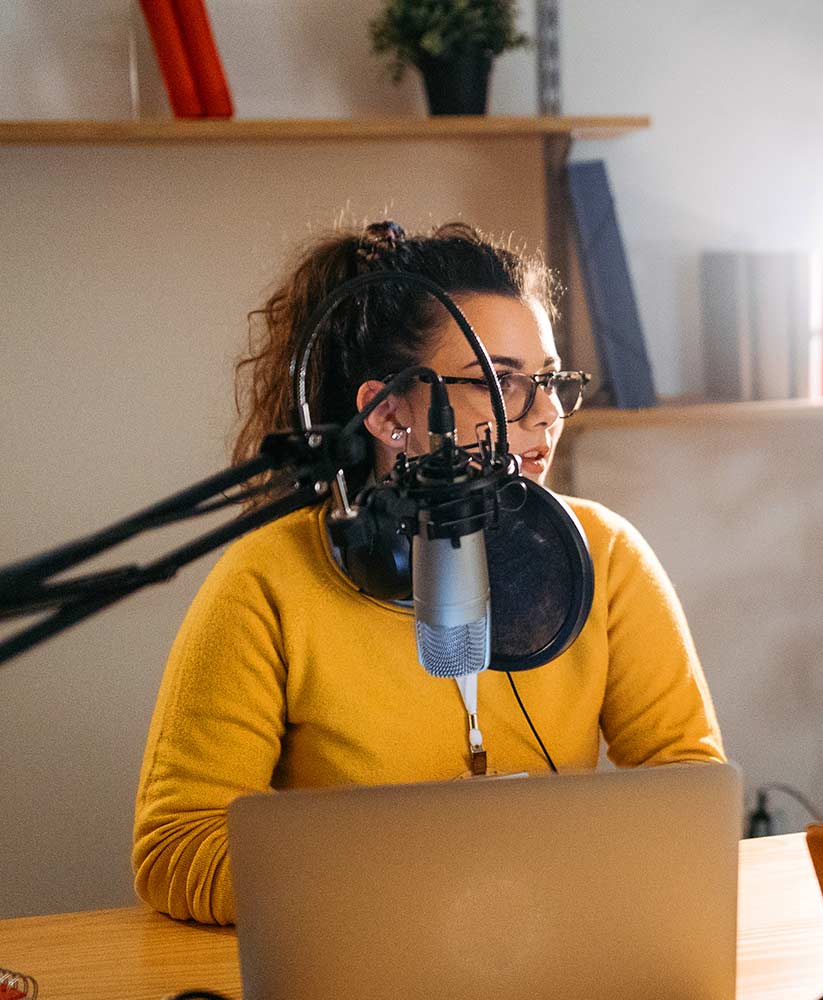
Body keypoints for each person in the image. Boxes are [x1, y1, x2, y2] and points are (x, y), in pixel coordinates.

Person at [132, 221, 725, 925]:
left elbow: (691, 794)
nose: (548, 416)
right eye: (503, 383)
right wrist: (417, 886)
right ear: (388, 414)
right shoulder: (268, 580)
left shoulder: (607, 555)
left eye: (551, 381)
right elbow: (178, 848)